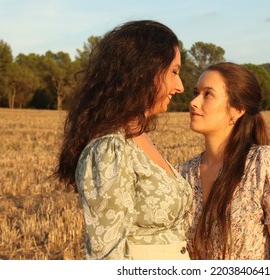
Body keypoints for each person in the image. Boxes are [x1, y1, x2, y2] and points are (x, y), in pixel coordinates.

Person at [55, 20, 192, 260]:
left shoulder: (139, 137)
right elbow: (107, 254)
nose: (180, 86)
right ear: (144, 71)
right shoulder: (109, 149)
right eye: (174, 72)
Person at [176, 62, 270, 260]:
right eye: (196, 92)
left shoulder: (263, 164)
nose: (194, 102)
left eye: (207, 94)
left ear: (237, 109)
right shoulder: (183, 174)